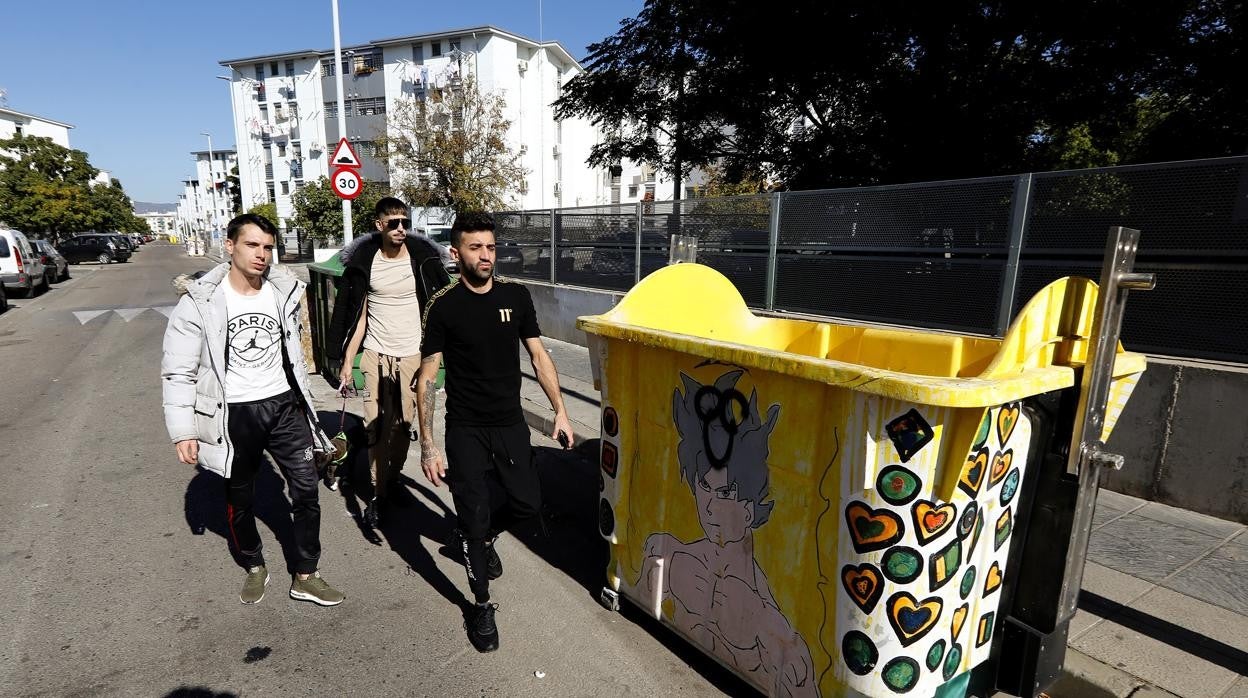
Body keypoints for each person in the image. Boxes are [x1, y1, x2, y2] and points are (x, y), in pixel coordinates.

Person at [161, 213, 344, 606]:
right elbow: (178, 371)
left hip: (283, 406)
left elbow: (292, 354)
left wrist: (305, 400)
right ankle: (254, 564)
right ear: (230, 246)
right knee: (240, 499)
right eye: (252, 245)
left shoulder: (282, 292)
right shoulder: (201, 302)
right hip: (233, 414)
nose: (261, 255)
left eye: (267, 247)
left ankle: (306, 573)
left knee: (306, 490)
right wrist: (184, 430)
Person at [415, 211, 573, 653]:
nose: (486, 256)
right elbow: (428, 376)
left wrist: (560, 411)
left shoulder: (516, 297)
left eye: (490, 247)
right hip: (465, 427)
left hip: (508, 423)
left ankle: (478, 537)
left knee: (527, 503)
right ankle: (481, 604)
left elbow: (539, 357)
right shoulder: (444, 306)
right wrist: (428, 445)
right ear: (455, 252)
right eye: (475, 247)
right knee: (473, 511)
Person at [327, 197, 451, 526]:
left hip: (413, 355)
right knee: (376, 429)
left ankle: (391, 478)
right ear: (379, 225)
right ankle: (377, 493)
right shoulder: (366, 262)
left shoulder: (422, 259)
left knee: (403, 427)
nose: (401, 229)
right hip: (375, 355)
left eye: (405, 223)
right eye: (393, 223)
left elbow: (443, 303)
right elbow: (358, 318)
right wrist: (346, 360)